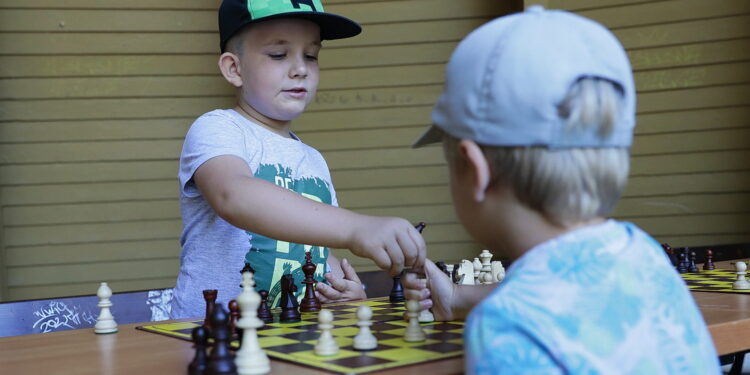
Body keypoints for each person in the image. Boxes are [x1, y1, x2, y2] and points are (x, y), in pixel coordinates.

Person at [403, 6, 721, 374]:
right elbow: (577, 295)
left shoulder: (507, 328)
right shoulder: (641, 254)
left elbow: (539, 307)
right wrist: (457, 297)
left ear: (476, 171)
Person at [171, 0, 426, 319]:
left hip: (290, 337)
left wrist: (345, 289)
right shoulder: (219, 128)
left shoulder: (314, 160)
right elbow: (232, 194)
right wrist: (357, 228)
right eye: (278, 54)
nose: (300, 68)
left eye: (311, 55)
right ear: (234, 68)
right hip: (211, 337)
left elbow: (316, 251)